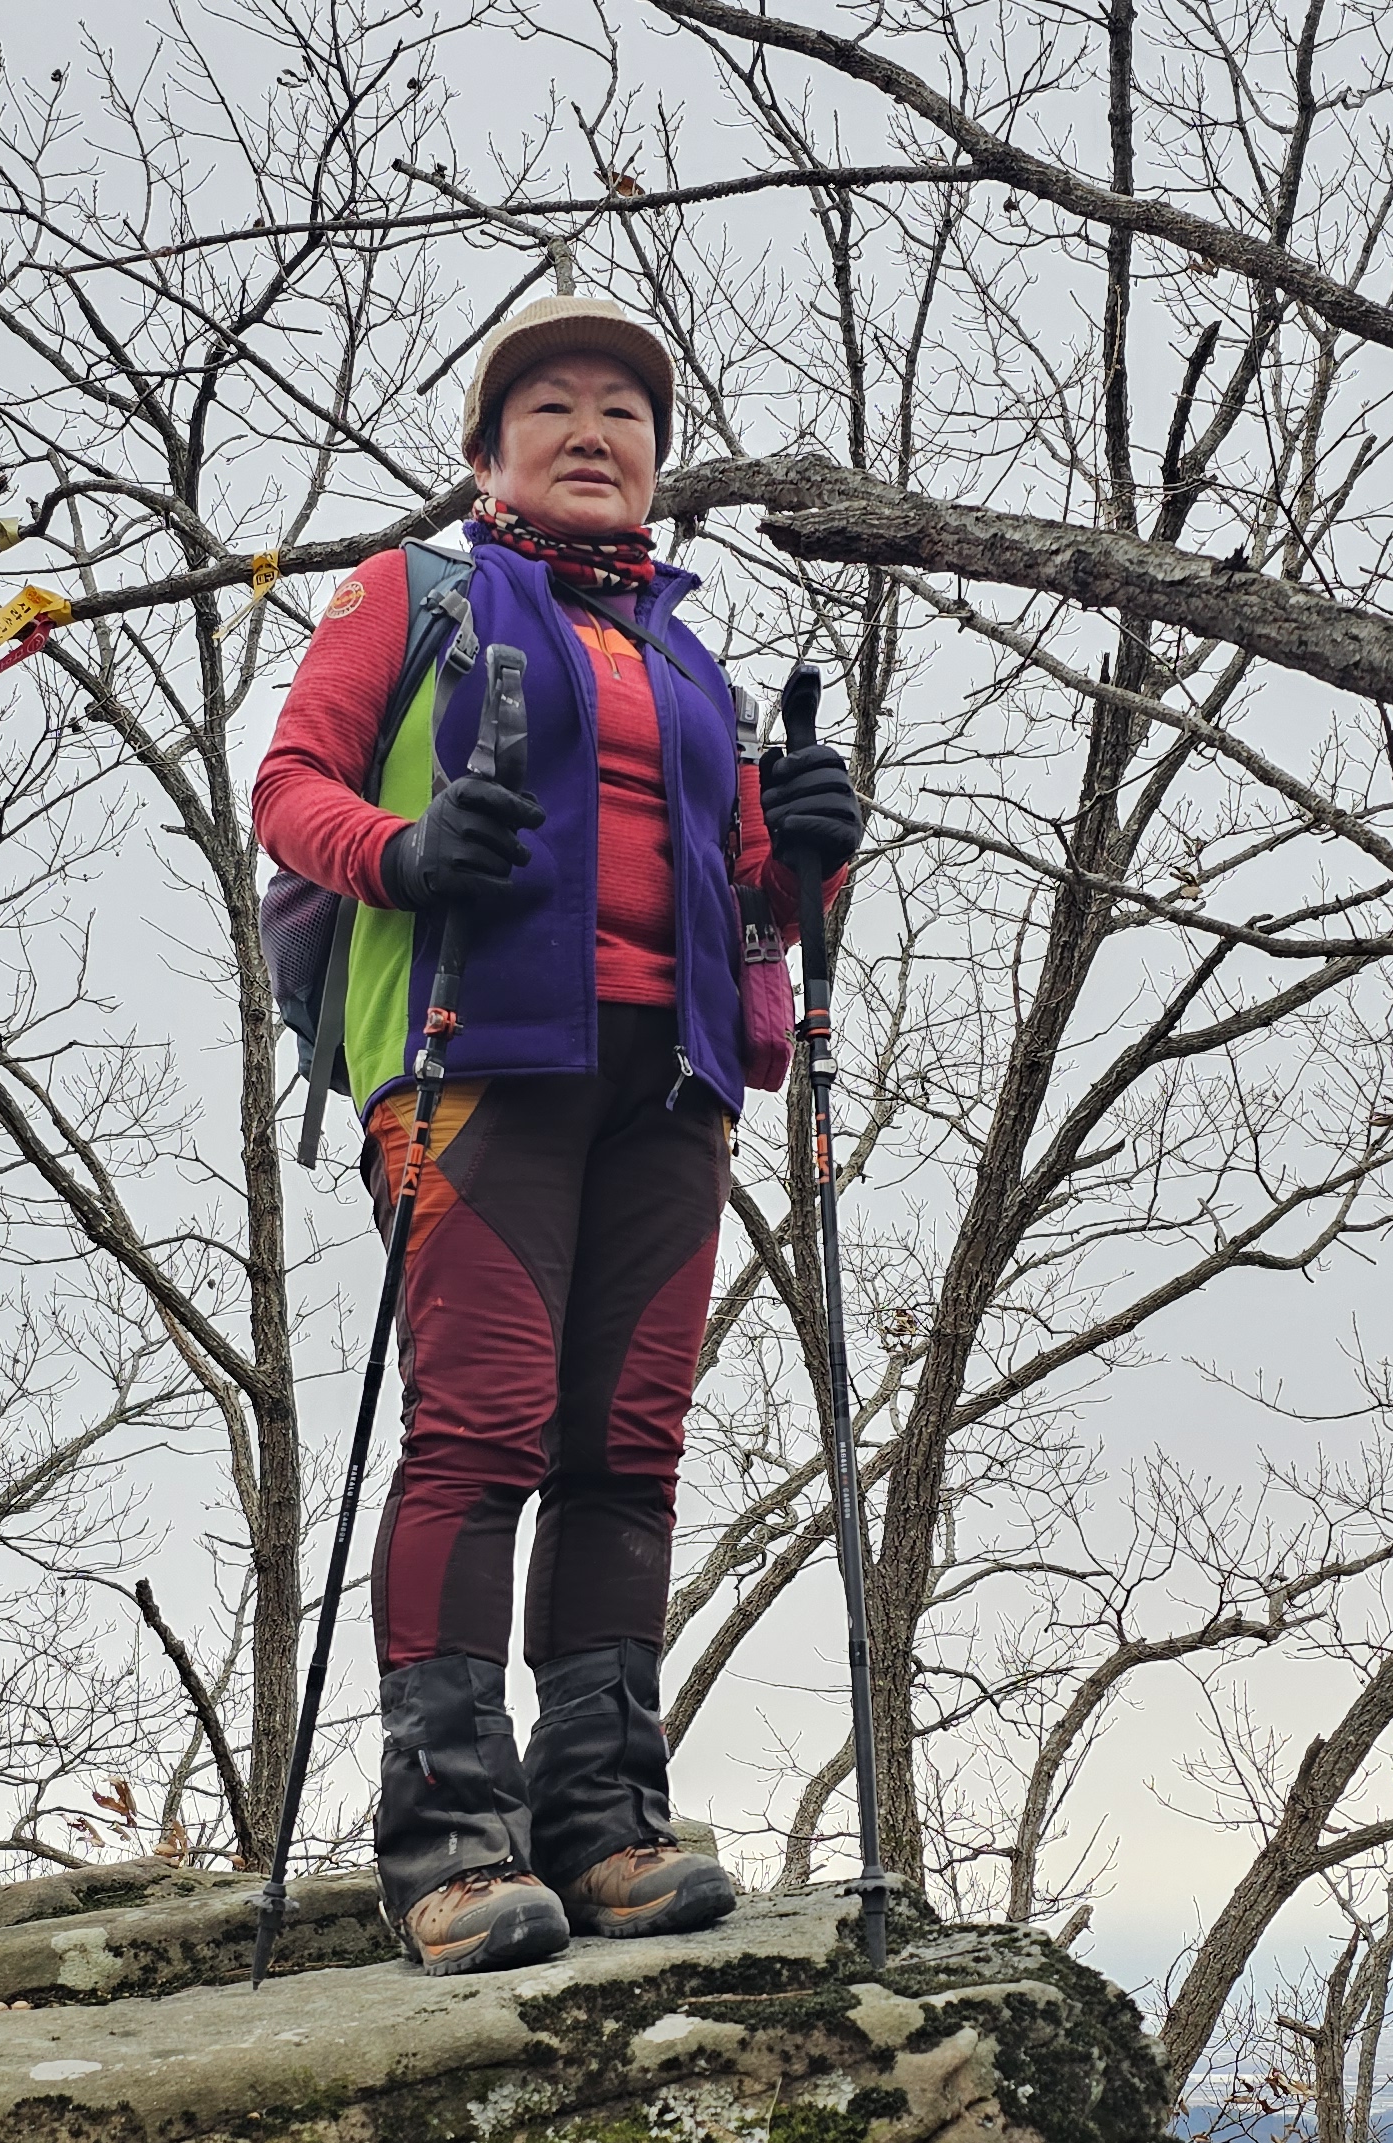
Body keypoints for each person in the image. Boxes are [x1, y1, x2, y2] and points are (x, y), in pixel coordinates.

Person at [252, 298, 864, 1974]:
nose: (594, 432)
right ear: (485, 456)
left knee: (629, 1447)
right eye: (552, 407)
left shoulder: (690, 665)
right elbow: (291, 789)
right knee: (483, 1430)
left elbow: (746, 896)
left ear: (658, 462)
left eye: (625, 412)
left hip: (670, 1080)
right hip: (475, 1059)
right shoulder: (415, 596)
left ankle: (605, 1829)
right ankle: (451, 1845)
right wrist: (405, 849)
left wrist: (807, 847)